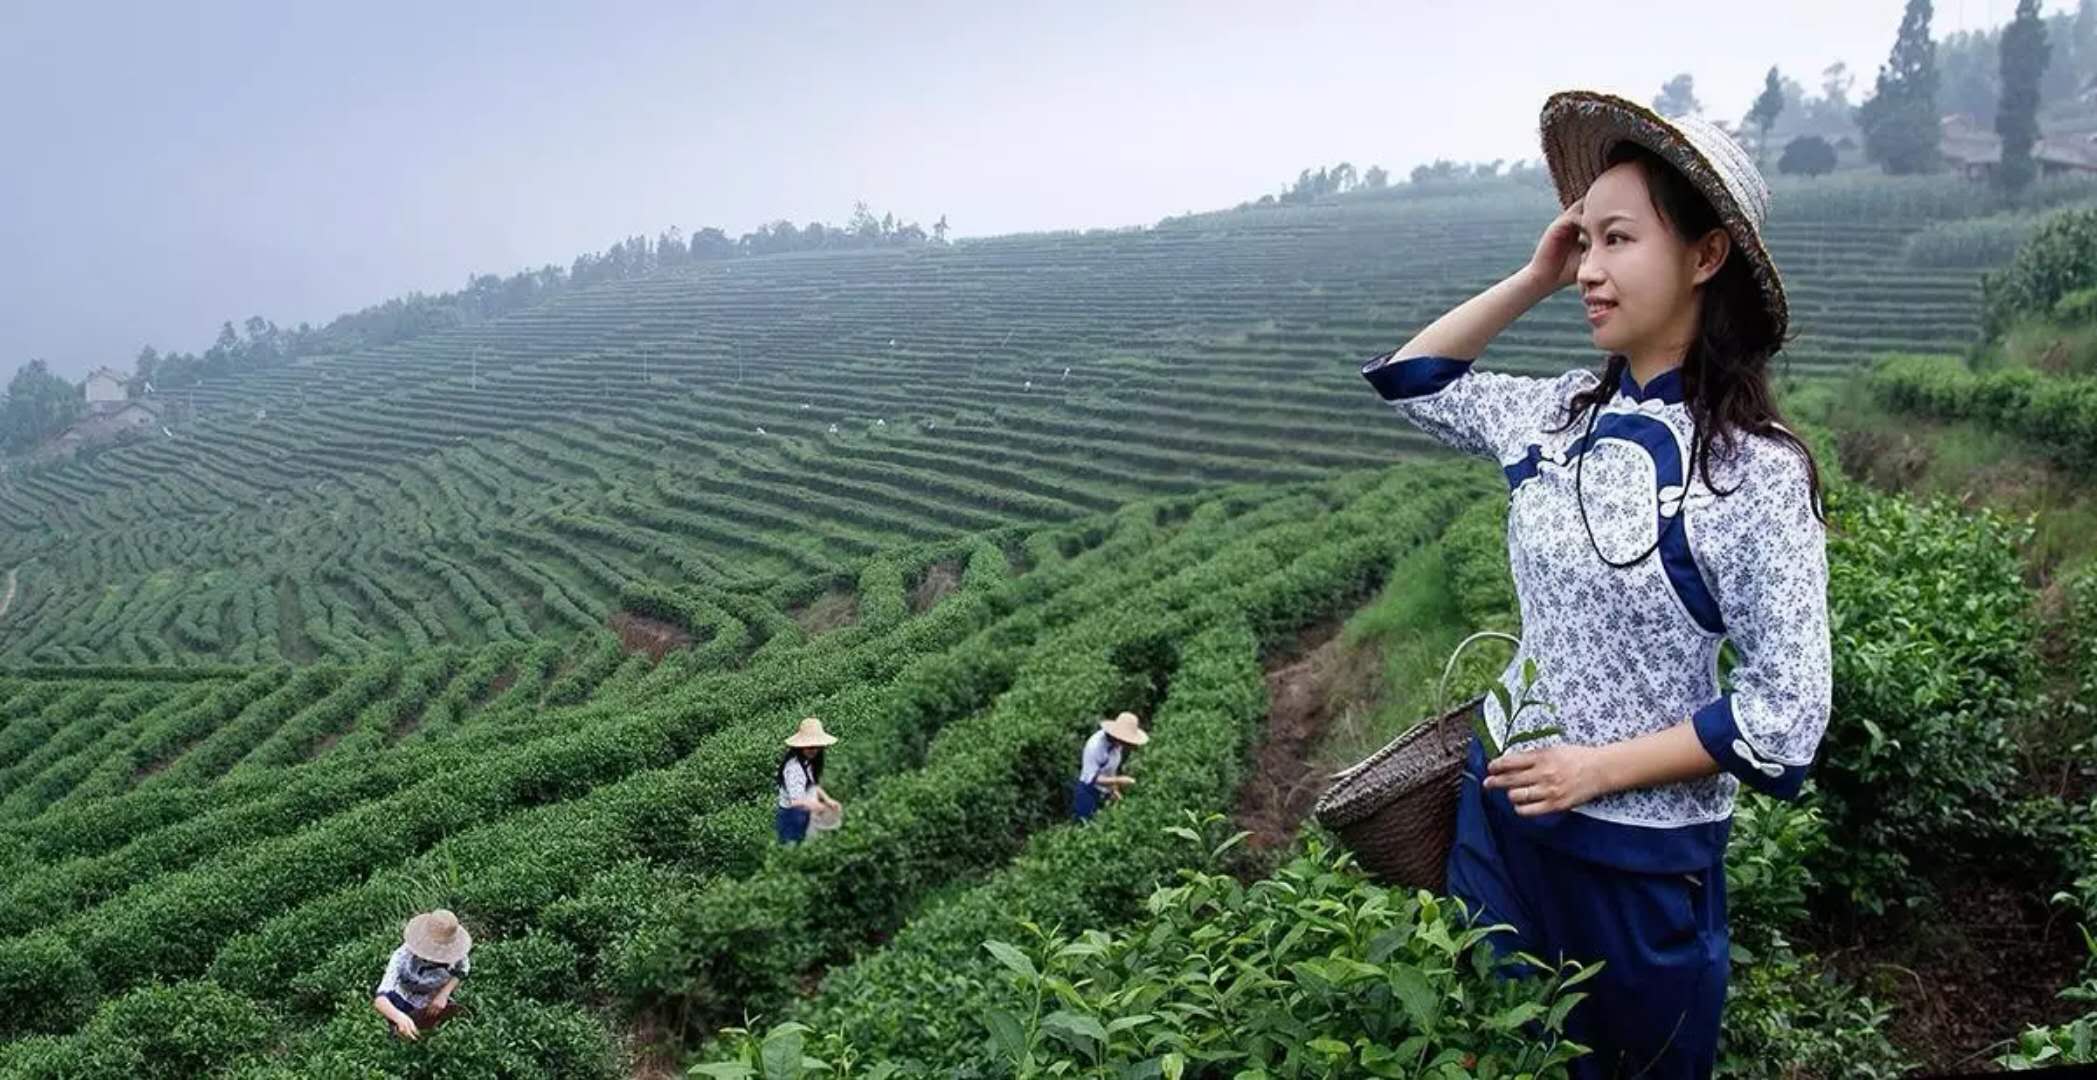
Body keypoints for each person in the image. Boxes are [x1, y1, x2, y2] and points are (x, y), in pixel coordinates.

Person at [1358, 90, 1832, 1080]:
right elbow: (1411, 379)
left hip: (1637, 858)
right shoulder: (1557, 412)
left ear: (1707, 257)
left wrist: (1596, 770)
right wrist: (1534, 275)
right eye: (1583, 242)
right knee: (1501, 1052)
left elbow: (1787, 718)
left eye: (1618, 240)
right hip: (1502, 813)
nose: (1590, 269)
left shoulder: (1752, 471)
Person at [372, 908, 473, 1042]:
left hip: (432, 997)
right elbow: (380, 1000)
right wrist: (399, 1017)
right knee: (402, 1034)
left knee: (439, 1032)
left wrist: (443, 994)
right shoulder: (402, 957)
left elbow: (462, 971)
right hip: (404, 997)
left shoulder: (456, 952)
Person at [1070, 711, 1149, 822]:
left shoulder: (1117, 745)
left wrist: (1114, 790)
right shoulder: (1095, 746)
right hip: (1088, 792)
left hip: (1104, 790)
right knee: (1085, 824)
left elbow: (1111, 769)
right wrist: (1120, 780)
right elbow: (1092, 778)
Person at [777, 716, 842, 844]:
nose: (814, 750)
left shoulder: (808, 762)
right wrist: (817, 806)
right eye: (810, 747)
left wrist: (827, 799)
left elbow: (812, 785)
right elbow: (795, 802)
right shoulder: (794, 769)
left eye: (816, 746)